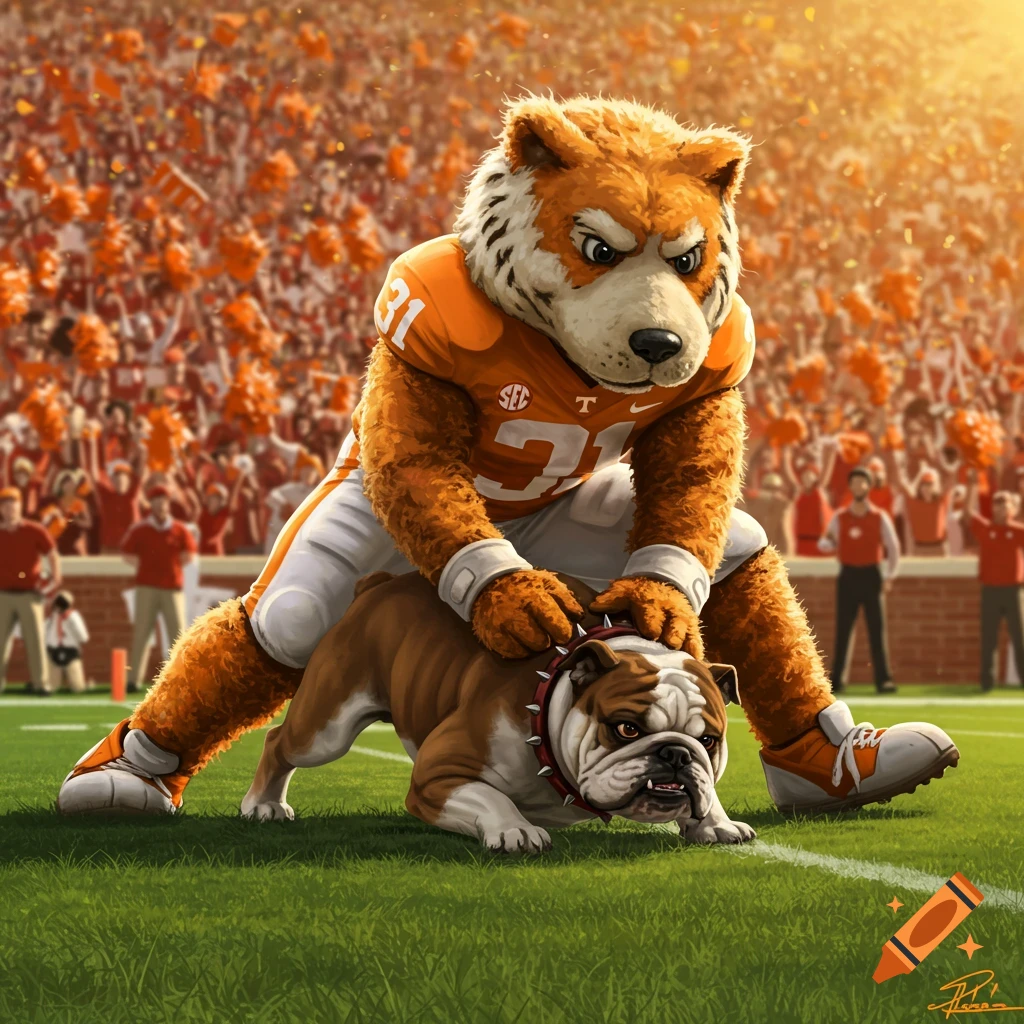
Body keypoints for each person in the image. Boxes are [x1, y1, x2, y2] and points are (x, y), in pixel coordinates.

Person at [819, 467, 901, 694]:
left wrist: (890, 576)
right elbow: (824, 543)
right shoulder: (840, 517)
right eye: (854, 483)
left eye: (862, 483)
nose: (858, 487)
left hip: (871, 575)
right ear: (850, 487)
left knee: (877, 629)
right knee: (843, 630)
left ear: (868, 486)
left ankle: (883, 680)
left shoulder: (879, 517)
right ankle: (837, 680)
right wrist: (832, 542)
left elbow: (893, 548)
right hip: (848, 576)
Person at [121, 485, 198, 693]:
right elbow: (126, 554)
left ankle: (179, 677)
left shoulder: (179, 529)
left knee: (177, 633)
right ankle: (134, 679)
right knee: (142, 633)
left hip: (172, 587)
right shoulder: (141, 529)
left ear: (168, 502)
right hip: (146, 587)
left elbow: (189, 553)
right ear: (150, 503)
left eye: (163, 499)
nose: (160, 504)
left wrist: (170, 567)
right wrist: (147, 567)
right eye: (156, 499)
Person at [0, 487, 62, 695]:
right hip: (3, 595)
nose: (10, 508)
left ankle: (40, 683)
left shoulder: (34, 530)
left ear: (20, 505)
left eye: (13, 503)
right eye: (5, 504)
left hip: (30, 594)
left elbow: (52, 553)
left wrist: (55, 578)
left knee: (35, 640)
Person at [966, 472, 1024, 692]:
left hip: (1012, 590)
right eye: (997, 504)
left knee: (1019, 637)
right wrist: (972, 486)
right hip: (990, 590)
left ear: (1013, 508)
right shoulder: (986, 529)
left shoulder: (1017, 530)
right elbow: (968, 514)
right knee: (988, 638)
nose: (1000, 508)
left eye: (1005, 504)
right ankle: (986, 682)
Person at [45, 590, 91, 693]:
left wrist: (70, 620)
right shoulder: (51, 617)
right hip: (53, 651)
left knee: (78, 687)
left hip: (70, 652)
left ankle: (83, 683)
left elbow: (84, 637)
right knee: (51, 687)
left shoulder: (74, 616)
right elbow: (44, 633)